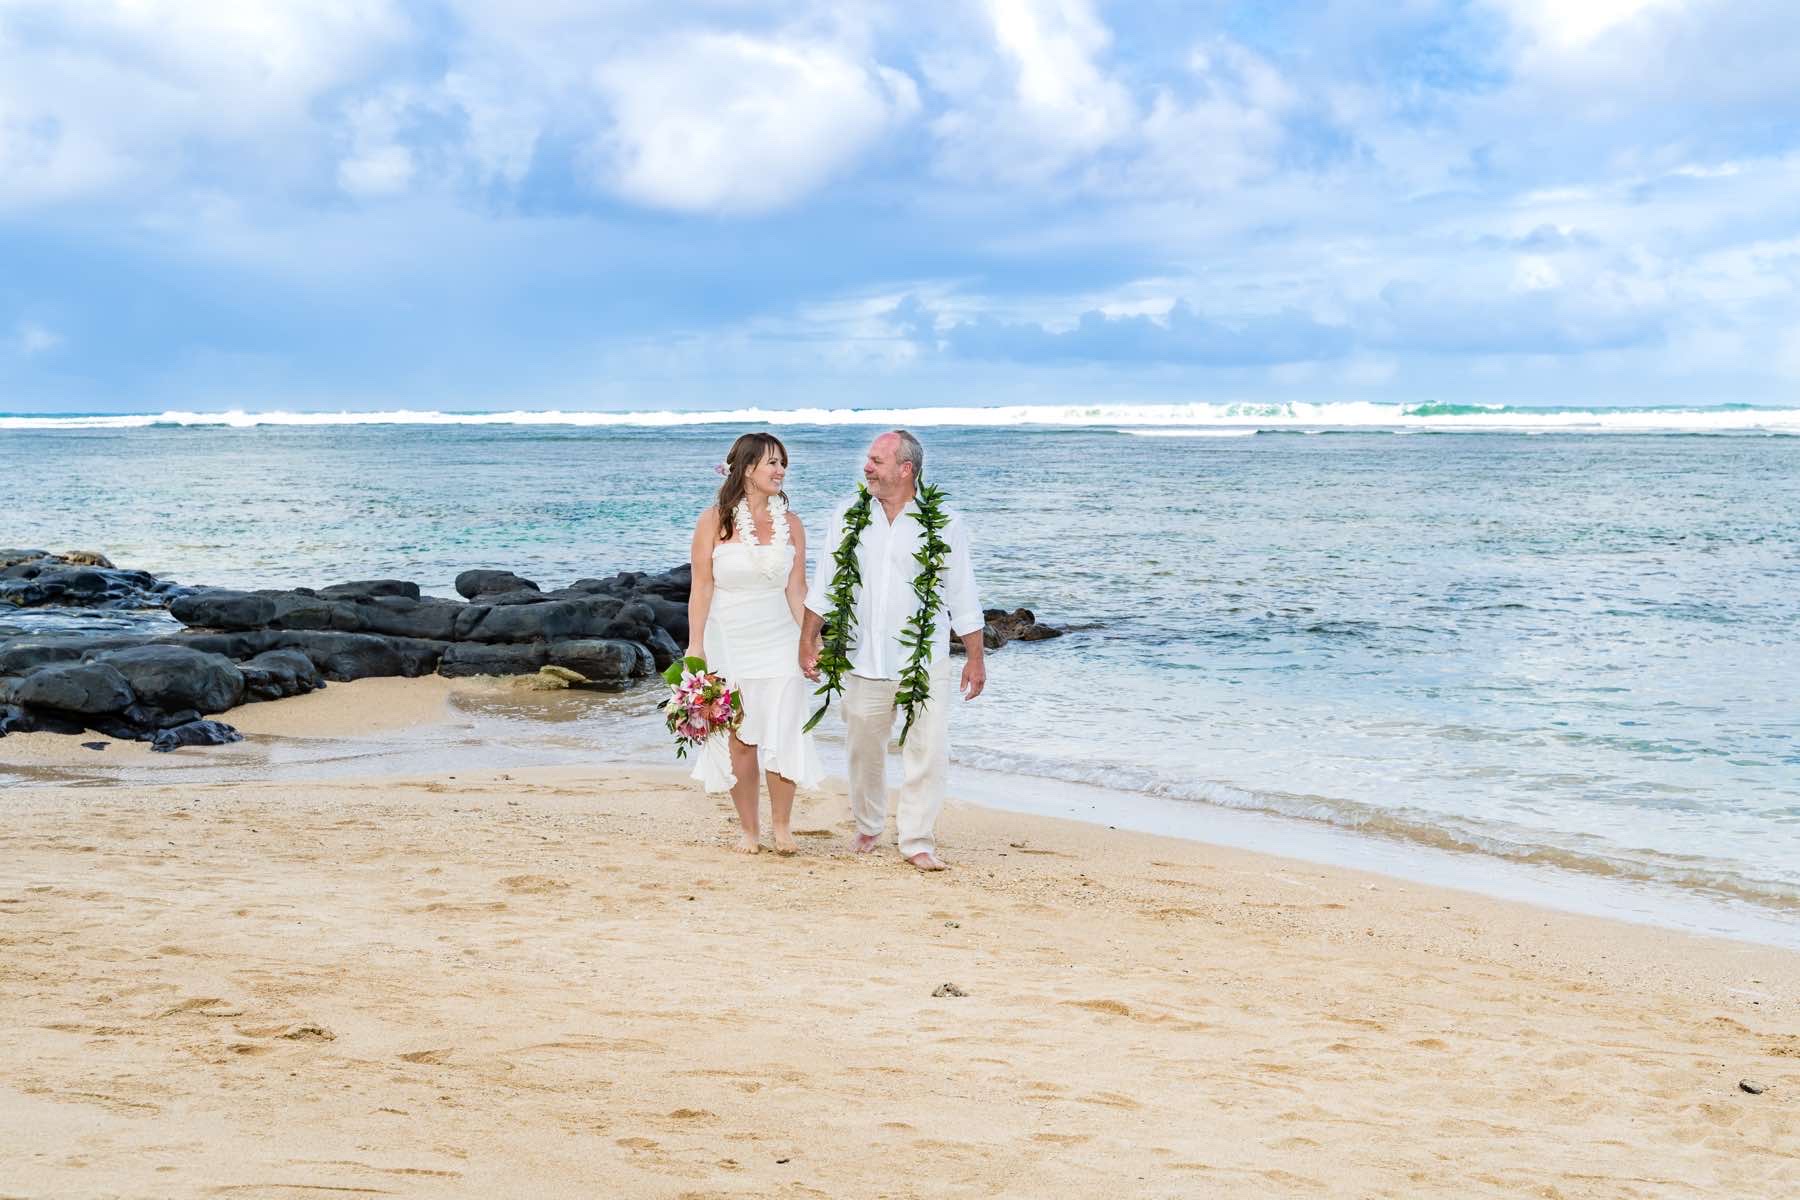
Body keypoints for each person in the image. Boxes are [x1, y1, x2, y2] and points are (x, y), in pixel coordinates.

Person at [800, 430, 985, 871]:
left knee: (928, 749)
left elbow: (962, 593)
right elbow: (825, 581)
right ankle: (868, 824)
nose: (867, 467)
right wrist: (808, 638)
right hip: (863, 656)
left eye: (877, 461)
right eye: (868, 459)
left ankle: (918, 838)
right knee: (863, 748)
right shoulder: (848, 515)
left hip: (926, 661)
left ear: (906, 469)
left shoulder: (944, 523)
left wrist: (976, 657)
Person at [685, 432, 823, 854]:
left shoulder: (792, 524)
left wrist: (810, 642)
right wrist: (695, 645)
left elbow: (797, 590)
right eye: (772, 463)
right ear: (747, 469)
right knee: (741, 735)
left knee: (785, 727)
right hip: (729, 635)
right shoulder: (714, 520)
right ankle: (749, 829)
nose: (780, 471)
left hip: (779, 634)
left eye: (783, 463)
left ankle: (782, 826)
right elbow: (701, 588)